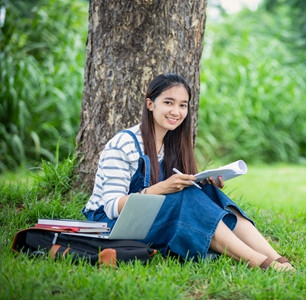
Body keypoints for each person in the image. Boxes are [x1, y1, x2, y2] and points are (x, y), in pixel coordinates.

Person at [83, 73, 294, 271]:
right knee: (185, 197)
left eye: (182, 105)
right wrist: (162, 188)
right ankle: (259, 262)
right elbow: (111, 207)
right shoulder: (123, 144)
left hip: (149, 217)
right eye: (168, 102)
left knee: (207, 193)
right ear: (150, 104)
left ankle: (274, 257)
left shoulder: (171, 142)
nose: (176, 111)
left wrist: (202, 183)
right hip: (110, 226)